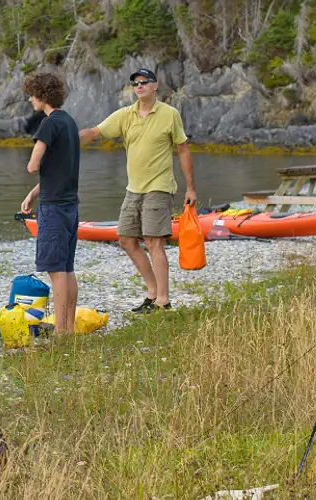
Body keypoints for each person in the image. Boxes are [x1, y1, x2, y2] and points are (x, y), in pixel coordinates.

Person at [79, 68, 195, 313]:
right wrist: (65, 139)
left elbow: (183, 150)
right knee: (126, 240)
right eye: (135, 83)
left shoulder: (169, 114)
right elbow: (94, 132)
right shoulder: (125, 115)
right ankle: (152, 293)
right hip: (134, 189)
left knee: (154, 241)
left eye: (144, 82)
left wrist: (191, 188)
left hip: (159, 187)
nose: (139, 86)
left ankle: (163, 301)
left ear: (155, 86)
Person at [18, 72, 79, 336]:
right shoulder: (69, 123)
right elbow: (59, 168)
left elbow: (33, 165)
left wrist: (33, 166)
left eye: (32, 93)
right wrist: (33, 194)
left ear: (43, 95)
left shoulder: (48, 124)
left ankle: (61, 332)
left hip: (53, 207)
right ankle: (69, 325)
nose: (30, 98)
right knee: (67, 267)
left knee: (56, 271)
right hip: (70, 204)